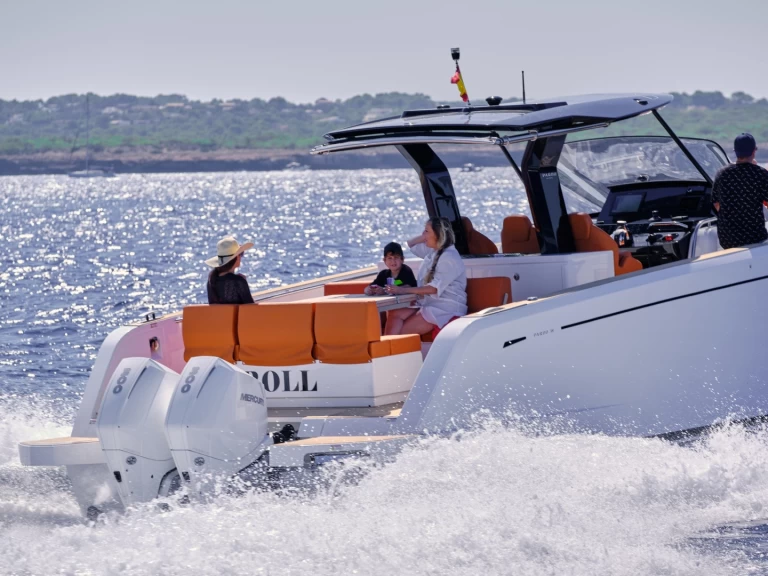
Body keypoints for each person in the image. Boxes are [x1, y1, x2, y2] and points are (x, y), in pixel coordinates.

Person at [384, 217, 467, 336]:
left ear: (438, 235)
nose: (423, 234)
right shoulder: (433, 251)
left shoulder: (449, 257)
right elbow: (410, 243)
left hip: (444, 308)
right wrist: (426, 236)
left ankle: (392, 349)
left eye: (426, 231)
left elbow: (433, 288)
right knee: (394, 313)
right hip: (429, 303)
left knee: (402, 332)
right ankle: (387, 350)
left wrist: (402, 290)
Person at [712, 133, 768, 249]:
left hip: (727, 239)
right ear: (753, 152)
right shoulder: (760, 174)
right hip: (754, 238)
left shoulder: (721, 174)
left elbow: (716, 204)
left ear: (735, 151)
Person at [205, 236, 255, 304]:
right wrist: (243, 281)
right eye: (241, 254)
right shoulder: (238, 281)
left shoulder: (211, 280)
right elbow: (251, 309)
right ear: (237, 257)